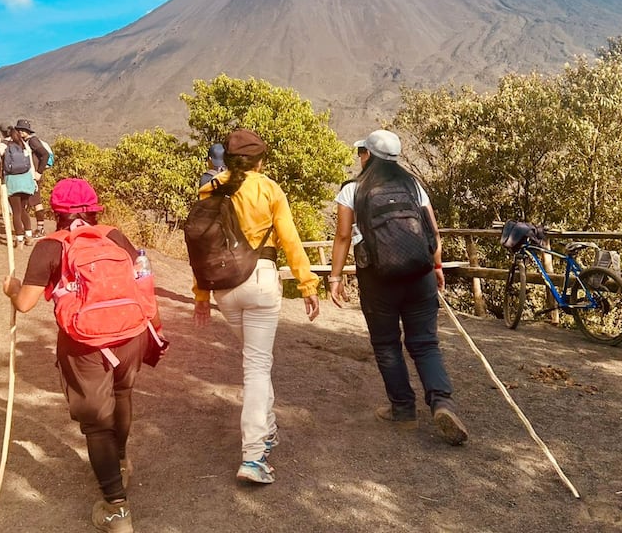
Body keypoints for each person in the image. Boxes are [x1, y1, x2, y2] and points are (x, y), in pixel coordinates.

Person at [2, 178, 162, 533]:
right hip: (131, 333)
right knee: (121, 396)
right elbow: (143, 281)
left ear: (56, 213)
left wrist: (11, 287)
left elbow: (26, 304)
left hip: (84, 343)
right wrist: (155, 328)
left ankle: (116, 510)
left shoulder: (49, 246)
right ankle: (120, 463)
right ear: (93, 209)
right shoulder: (114, 236)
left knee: (95, 421)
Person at [192, 128, 320, 484]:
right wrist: (308, 284)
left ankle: (268, 428)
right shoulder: (268, 188)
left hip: (225, 289)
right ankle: (252, 456)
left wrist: (201, 295)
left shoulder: (210, 188)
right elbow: (290, 239)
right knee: (257, 367)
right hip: (261, 281)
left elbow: (200, 247)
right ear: (260, 160)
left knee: (254, 361)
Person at [328, 129, 468, 446]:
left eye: (362, 151)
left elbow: (342, 237)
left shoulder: (352, 190)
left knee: (387, 343)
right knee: (425, 342)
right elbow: (433, 231)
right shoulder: (412, 185)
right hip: (419, 275)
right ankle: (442, 403)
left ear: (370, 155)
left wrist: (335, 278)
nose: (360, 156)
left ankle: (403, 409)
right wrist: (436, 267)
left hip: (378, 277)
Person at [0, 124, 36, 247]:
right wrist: (33, 180)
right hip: (27, 181)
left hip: (12, 181)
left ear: (2, 133)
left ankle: (19, 238)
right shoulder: (24, 144)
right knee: (23, 209)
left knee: (16, 211)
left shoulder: (0, 147)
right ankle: (29, 236)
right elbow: (31, 165)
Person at [15, 118, 50, 238]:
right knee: (33, 201)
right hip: (31, 176)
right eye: (19, 130)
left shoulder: (32, 141)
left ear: (27, 131)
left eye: (23, 130)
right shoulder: (27, 141)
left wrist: (39, 172)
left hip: (34, 176)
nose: (20, 132)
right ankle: (35, 228)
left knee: (36, 202)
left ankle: (40, 229)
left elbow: (45, 154)